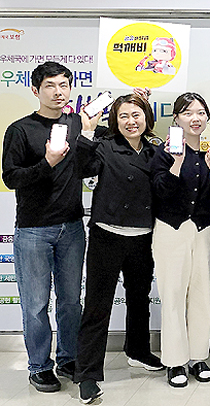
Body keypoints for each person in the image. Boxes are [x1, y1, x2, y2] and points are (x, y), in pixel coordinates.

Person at [2, 61, 100, 393]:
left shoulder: (77, 123)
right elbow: (11, 177)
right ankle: (40, 366)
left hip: (72, 227)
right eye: (50, 86)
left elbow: (90, 165)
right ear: (35, 90)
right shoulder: (20, 129)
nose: (58, 92)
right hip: (33, 230)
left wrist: (88, 133)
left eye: (64, 85)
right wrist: (47, 163)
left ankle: (68, 359)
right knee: (35, 304)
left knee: (71, 301)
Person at [74, 93, 162, 402]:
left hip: (144, 235)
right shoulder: (104, 146)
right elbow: (82, 168)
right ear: (115, 121)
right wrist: (87, 132)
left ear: (147, 119)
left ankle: (138, 351)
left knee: (139, 299)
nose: (131, 121)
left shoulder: (156, 151)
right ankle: (87, 375)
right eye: (123, 116)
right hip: (107, 235)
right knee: (97, 306)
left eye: (136, 115)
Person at [150, 92, 210, 388]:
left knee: (202, 294)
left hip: (204, 228)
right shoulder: (163, 151)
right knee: (173, 295)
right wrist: (177, 163)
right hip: (172, 228)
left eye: (201, 112)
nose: (196, 118)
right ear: (176, 118)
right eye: (188, 113)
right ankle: (174, 361)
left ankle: (198, 357)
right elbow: (160, 190)